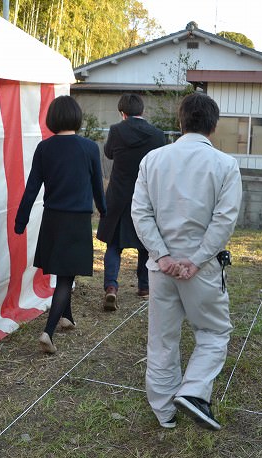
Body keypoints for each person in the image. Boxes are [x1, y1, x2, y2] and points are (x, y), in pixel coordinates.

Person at [131, 93, 242, 431]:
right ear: (213, 125)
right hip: (203, 269)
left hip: (161, 269)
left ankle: (165, 411)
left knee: (162, 339)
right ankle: (194, 392)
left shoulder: (153, 159)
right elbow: (224, 220)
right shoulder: (225, 164)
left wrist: (162, 256)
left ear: (180, 122)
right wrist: (194, 261)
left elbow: (141, 212)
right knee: (213, 332)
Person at [15, 95, 106, 354]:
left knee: (63, 270)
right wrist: (104, 210)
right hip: (77, 220)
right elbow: (97, 186)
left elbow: (32, 187)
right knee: (67, 275)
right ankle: (49, 331)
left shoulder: (44, 148)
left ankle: (67, 318)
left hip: (52, 218)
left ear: (52, 119)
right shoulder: (89, 148)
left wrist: (20, 221)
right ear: (77, 118)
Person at [97, 94, 165, 311]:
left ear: (122, 113)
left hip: (119, 195)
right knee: (146, 244)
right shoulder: (158, 135)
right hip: (146, 195)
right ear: (142, 111)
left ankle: (110, 288)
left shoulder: (117, 130)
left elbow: (108, 153)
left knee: (114, 245)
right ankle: (144, 287)